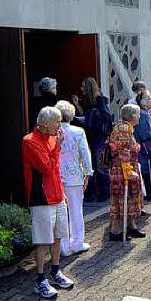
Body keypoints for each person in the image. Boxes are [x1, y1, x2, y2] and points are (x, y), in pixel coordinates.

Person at [22, 106, 74, 300]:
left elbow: (56, 169)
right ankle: (40, 279)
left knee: (58, 236)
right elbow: (45, 167)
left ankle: (55, 271)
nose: (60, 125)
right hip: (41, 198)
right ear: (45, 123)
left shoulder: (53, 137)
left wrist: (62, 192)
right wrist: (58, 146)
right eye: (57, 121)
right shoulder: (30, 141)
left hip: (57, 195)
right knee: (43, 239)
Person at [55, 101, 92, 255]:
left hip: (57, 176)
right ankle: (77, 243)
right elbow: (85, 153)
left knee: (61, 212)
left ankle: (63, 246)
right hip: (75, 176)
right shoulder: (78, 132)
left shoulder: (53, 132)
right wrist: (88, 172)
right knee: (76, 210)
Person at [107, 103, 146, 241]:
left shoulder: (127, 128)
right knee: (121, 198)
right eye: (138, 114)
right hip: (122, 169)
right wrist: (137, 147)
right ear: (132, 116)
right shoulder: (124, 129)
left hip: (128, 168)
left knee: (130, 197)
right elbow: (124, 150)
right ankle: (116, 230)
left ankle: (131, 226)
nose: (140, 116)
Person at [79, 77, 112, 203]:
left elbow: (106, 117)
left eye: (83, 86)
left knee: (100, 164)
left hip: (99, 136)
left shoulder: (100, 100)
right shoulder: (88, 101)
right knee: (92, 164)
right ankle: (94, 192)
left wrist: (94, 115)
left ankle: (105, 192)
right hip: (91, 135)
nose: (81, 89)